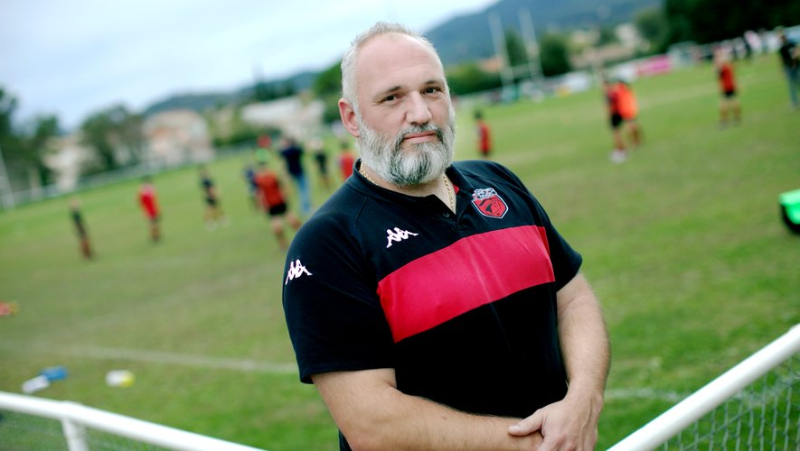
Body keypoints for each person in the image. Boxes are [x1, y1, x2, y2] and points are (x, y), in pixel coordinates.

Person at [282, 22, 610, 450]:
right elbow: (373, 425)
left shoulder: (499, 182)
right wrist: (539, 444)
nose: (419, 113)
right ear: (352, 118)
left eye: (432, 90)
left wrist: (585, 398)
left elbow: (574, 299)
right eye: (392, 97)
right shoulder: (328, 245)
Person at [253, 161, 302, 250]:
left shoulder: (259, 179)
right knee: (290, 219)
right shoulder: (273, 174)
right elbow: (282, 186)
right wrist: (286, 194)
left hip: (271, 204)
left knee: (277, 224)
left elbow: (259, 193)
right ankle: (302, 235)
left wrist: (260, 205)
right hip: (279, 201)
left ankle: (283, 244)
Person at [278, 137, 312, 215]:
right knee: (304, 190)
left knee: (301, 190)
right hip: (299, 172)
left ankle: (305, 206)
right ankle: (305, 207)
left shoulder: (284, 152)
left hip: (292, 173)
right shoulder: (294, 150)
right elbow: (305, 150)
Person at [603, 77, 628, 163]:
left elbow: (609, 106)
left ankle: (621, 150)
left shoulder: (611, 94)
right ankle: (619, 149)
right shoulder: (612, 92)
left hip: (615, 115)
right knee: (616, 133)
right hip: (617, 114)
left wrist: (608, 115)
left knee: (616, 133)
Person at [714, 48, 741, 127]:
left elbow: (718, 75)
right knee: (734, 100)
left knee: (723, 103)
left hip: (726, 86)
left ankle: (724, 120)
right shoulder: (728, 63)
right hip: (731, 84)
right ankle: (737, 117)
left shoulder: (721, 65)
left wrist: (716, 68)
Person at [199, 165, 228, 230]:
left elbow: (214, 186)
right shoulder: (204, 181)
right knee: (210, 210)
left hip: (213, 196)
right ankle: (210, 222)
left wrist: (217, 193)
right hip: (209, 197)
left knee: (216, 208)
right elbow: (204, 190)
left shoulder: (209, 179)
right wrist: (209, 195)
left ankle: (220, 219)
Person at [616, 79, 642, 150]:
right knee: (633, 126)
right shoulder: (627, 89)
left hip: (626, 111)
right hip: (629, 110)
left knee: (630, 128)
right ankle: (637, 140)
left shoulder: (620, 90)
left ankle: (635, 141)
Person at [778, 30, 800, 110]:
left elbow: (797, 51)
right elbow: (782, 60)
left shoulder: (791, 43)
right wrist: (783, 70)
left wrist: (795, 58)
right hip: (789, 68)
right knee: (791, 85)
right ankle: (794, 102)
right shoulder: (782, 48)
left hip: (797, 66)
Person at [138, 176, 161, 242]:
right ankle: (155, 236)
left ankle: (156, 236)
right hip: (150, 210)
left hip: (152, 210)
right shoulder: (145, 192)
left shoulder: (147, 192)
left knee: (154, 224)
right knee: (152, 224)